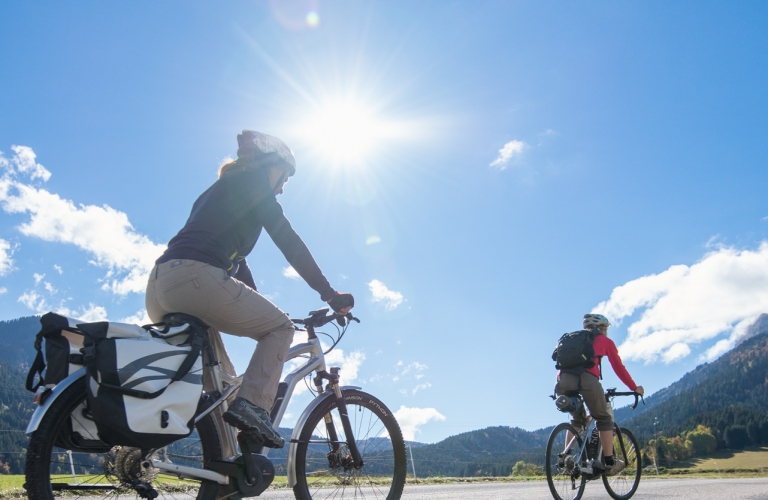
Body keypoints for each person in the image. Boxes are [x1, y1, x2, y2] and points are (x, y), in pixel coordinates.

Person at [146, 130, 354, 448]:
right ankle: (256, 409)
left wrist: (258, 306)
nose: (282, 188)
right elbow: (288, 240)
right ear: (270, 165)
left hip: (162, 285)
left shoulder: (220, 190)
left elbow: (238, 266)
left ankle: (223, 475)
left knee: (224, 386)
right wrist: (329, 294)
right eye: (284, 178)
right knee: (281, 328)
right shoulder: (255, 184)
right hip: (196, 279)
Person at [555, 314, 644, 476]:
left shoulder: (574, 341)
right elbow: (619, 368)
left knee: (577, 420)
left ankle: (567, 458)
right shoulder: (604, 341)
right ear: (603, 328)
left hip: (562, 382)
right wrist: (634, 387)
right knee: (603, 419)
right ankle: (609, 461)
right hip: (587, 381)